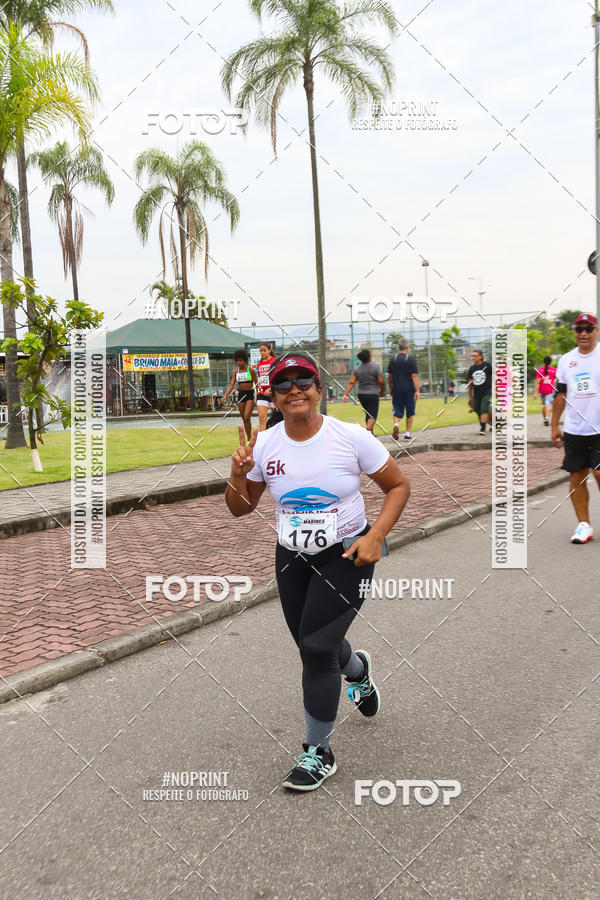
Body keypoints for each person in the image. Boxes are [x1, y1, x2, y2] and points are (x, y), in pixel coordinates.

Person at [224, 351, 410, 791]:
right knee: (316, 647)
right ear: (273, 394)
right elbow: (239, 508)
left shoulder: (350, 437)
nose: (294, 390)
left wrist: (376, 536)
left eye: (302, 381)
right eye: (283, 384)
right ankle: (358, 669)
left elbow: (398, 485)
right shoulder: (266, 445)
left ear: (318, 389)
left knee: (316, 646)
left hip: (348, 554)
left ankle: (318, 751)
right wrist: (235, 475)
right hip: (293, 557)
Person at [551, 313, 600, 544]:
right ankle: (584, 525)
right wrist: (554, 425)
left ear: (596, 331)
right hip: (574, 429)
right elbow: (560, 394)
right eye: (579, 329)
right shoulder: (566, 360)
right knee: (577, 476)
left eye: (588, 329)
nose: (583, 333)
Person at [342, 348, 385, 432]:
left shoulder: (357, 368)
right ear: (369, 357)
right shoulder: (376, 367)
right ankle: (367, 431)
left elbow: (352, 382)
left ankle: (371, 435)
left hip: (361, 394)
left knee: (368, 414)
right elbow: (381, 381)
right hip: (373, 394)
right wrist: (382, 390)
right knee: (373, 416)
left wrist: (346, 393)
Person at [387, 340, 419, 441]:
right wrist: (417, 390)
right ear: (407, 347)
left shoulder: (393, 359)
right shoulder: (410, 359)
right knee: (410, 411)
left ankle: (396, 424)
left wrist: (390, 387)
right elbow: (414, 375)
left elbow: (389, 375)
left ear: (399, 347)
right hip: (409, 389)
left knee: (397, 409)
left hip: (396, 388)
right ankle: (407, 434)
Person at [223, 348, 257, 441]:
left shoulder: (251, 370)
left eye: (241, 360)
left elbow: (257, 383)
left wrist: (259, 397)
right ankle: (248, 438)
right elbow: (231, 385)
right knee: (244, 419)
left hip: (249, 394)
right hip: (241, 395)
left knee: (247, 417)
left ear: (245, 360)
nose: (239, 362)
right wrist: (226, 394)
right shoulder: (236, 372)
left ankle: (250, 438)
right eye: (237, 361)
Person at [467, 349, 493, 434]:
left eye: (475, 356)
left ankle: (483, 429)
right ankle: (484, 426)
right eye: (472, 356)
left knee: (484, 409)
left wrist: (494, 389)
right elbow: (470, 383)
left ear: (480, 357)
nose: (473, 358)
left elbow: (494, 377)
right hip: (476, 394)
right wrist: (470, 396)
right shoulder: (472, 369)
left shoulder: (487, 365)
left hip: (486, 392)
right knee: (478, 410)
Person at [252, 341, 277, 431]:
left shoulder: (274, 361)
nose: (262, 352)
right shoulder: (259, 364)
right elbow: (260, 378)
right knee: (262, 418)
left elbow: (277, 377)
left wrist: (271, 388)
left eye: (264, 350)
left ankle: (275, 438)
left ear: (269, 350)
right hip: (261, 394)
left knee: (276, 419)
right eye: (261, 351)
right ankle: (263, 440)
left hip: (273, 393)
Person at [534, 355, 557, 426]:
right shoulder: (554, 370)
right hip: (550, 390)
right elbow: (559, 379)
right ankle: (547, 418)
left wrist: (535, 393)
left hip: (542, 390)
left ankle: (545, 420)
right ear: (550, 361)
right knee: (549, 404)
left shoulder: (540, 370)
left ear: (544, 361)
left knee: (544, 405)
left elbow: (538, 382)